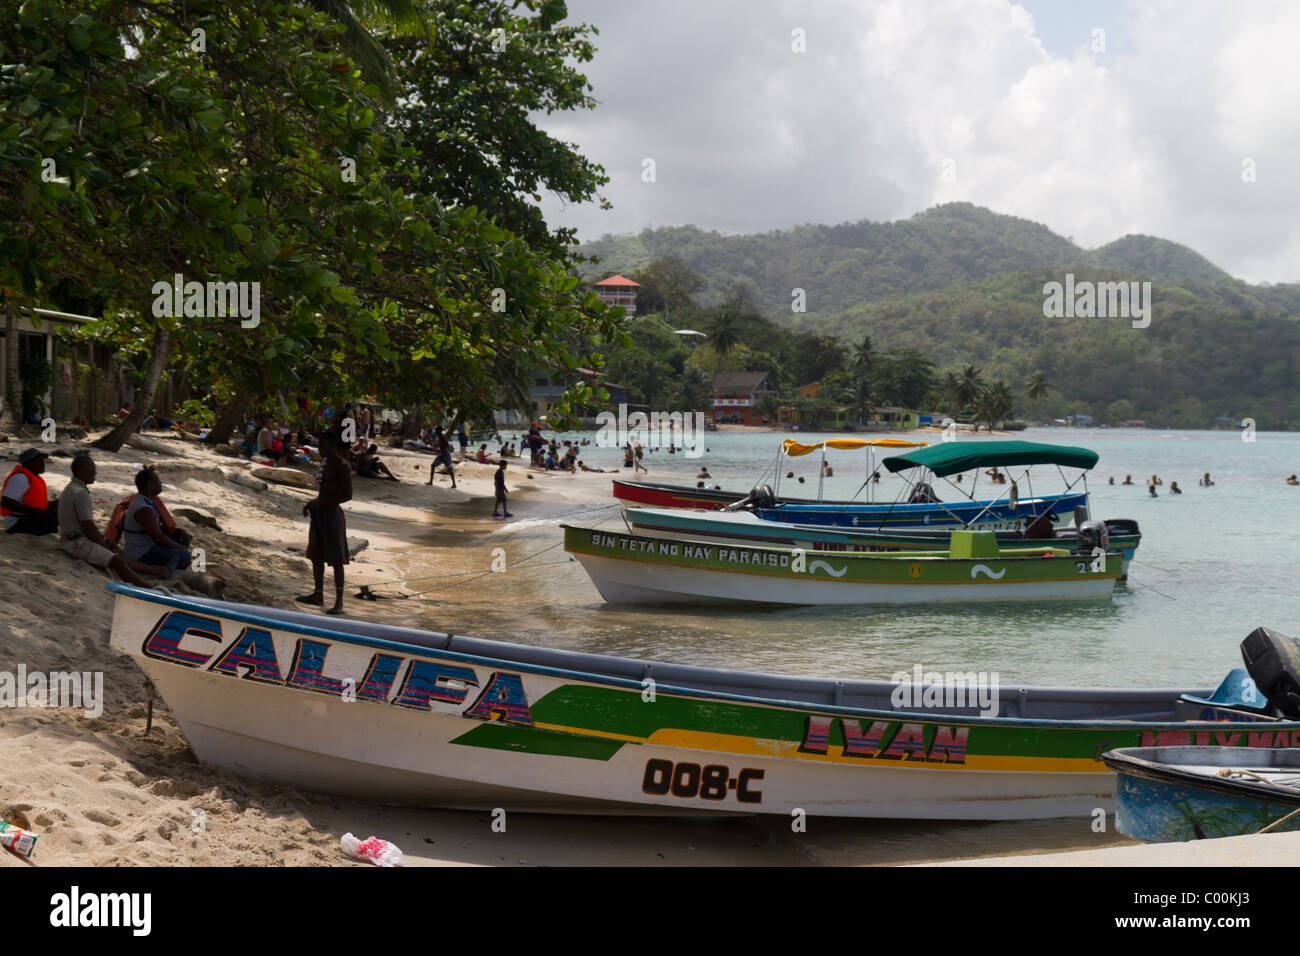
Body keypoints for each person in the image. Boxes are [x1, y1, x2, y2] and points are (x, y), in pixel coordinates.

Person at [58, 454, 164, 586]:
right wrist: (104, 546)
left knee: (115, 548)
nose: (95, 472)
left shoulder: (73, 488)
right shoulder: (80, 493)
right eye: (92, 469)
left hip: (74, 538)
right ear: (82, 470)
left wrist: (105, 541)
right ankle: (145, 586)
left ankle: (152, 572)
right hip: (75, 542)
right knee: (117, 560)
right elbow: (89, 527)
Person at [298, 431, 353, 614]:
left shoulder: (341, 465)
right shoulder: (326, 463)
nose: (319, 448)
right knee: (316, 556)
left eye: (321, 445)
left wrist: (320, 503)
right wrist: (313, 504)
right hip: (319, 513)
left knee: (337, 560)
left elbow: (347, 495)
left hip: (332, 515)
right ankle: (318, 594)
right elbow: (324, 492)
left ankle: (339, 603)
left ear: (330, 445)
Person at [122, 467, 193, 575]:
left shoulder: (146, 501)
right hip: (141, 553)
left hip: (147, 545)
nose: (161, 483)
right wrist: (182, 549)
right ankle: (167, 570)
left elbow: (156, 529)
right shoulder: (143, 508)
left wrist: (178, 531)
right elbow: (158, 538)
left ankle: (175, 565)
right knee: (185, 555)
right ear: (149, 484)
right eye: (157, 481)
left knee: (184, 538)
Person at [2, 448, 58, 536]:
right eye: (39, 461)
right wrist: (36, 511)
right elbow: (6, 502)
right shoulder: (20, 478)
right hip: (16, 523)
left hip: (29, 517)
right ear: (28, 463)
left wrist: (51, 504)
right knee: (58, 513)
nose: (42, 463)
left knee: (62, 507)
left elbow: (33, 503)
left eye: (42, 460)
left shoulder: (34, 478)